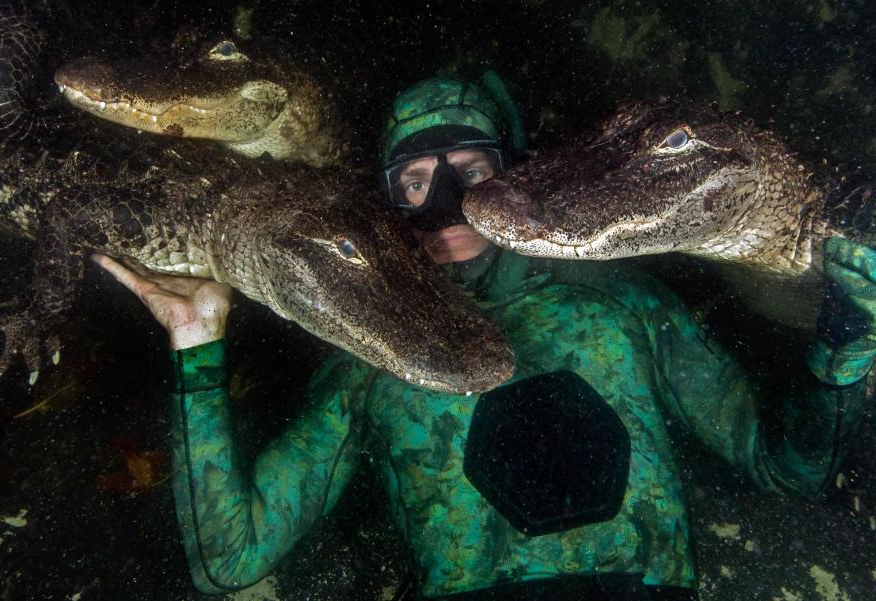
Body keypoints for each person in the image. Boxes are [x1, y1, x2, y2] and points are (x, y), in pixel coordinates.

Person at [94, 74, 876, 600]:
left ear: (518, 172)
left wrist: (844, 344)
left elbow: (782, 468)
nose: (446, 203)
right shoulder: (369, 360)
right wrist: (197, 342)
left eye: (470, 168)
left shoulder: (623, 300)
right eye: (413, 180)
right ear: (379, 202)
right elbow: (232, 557)